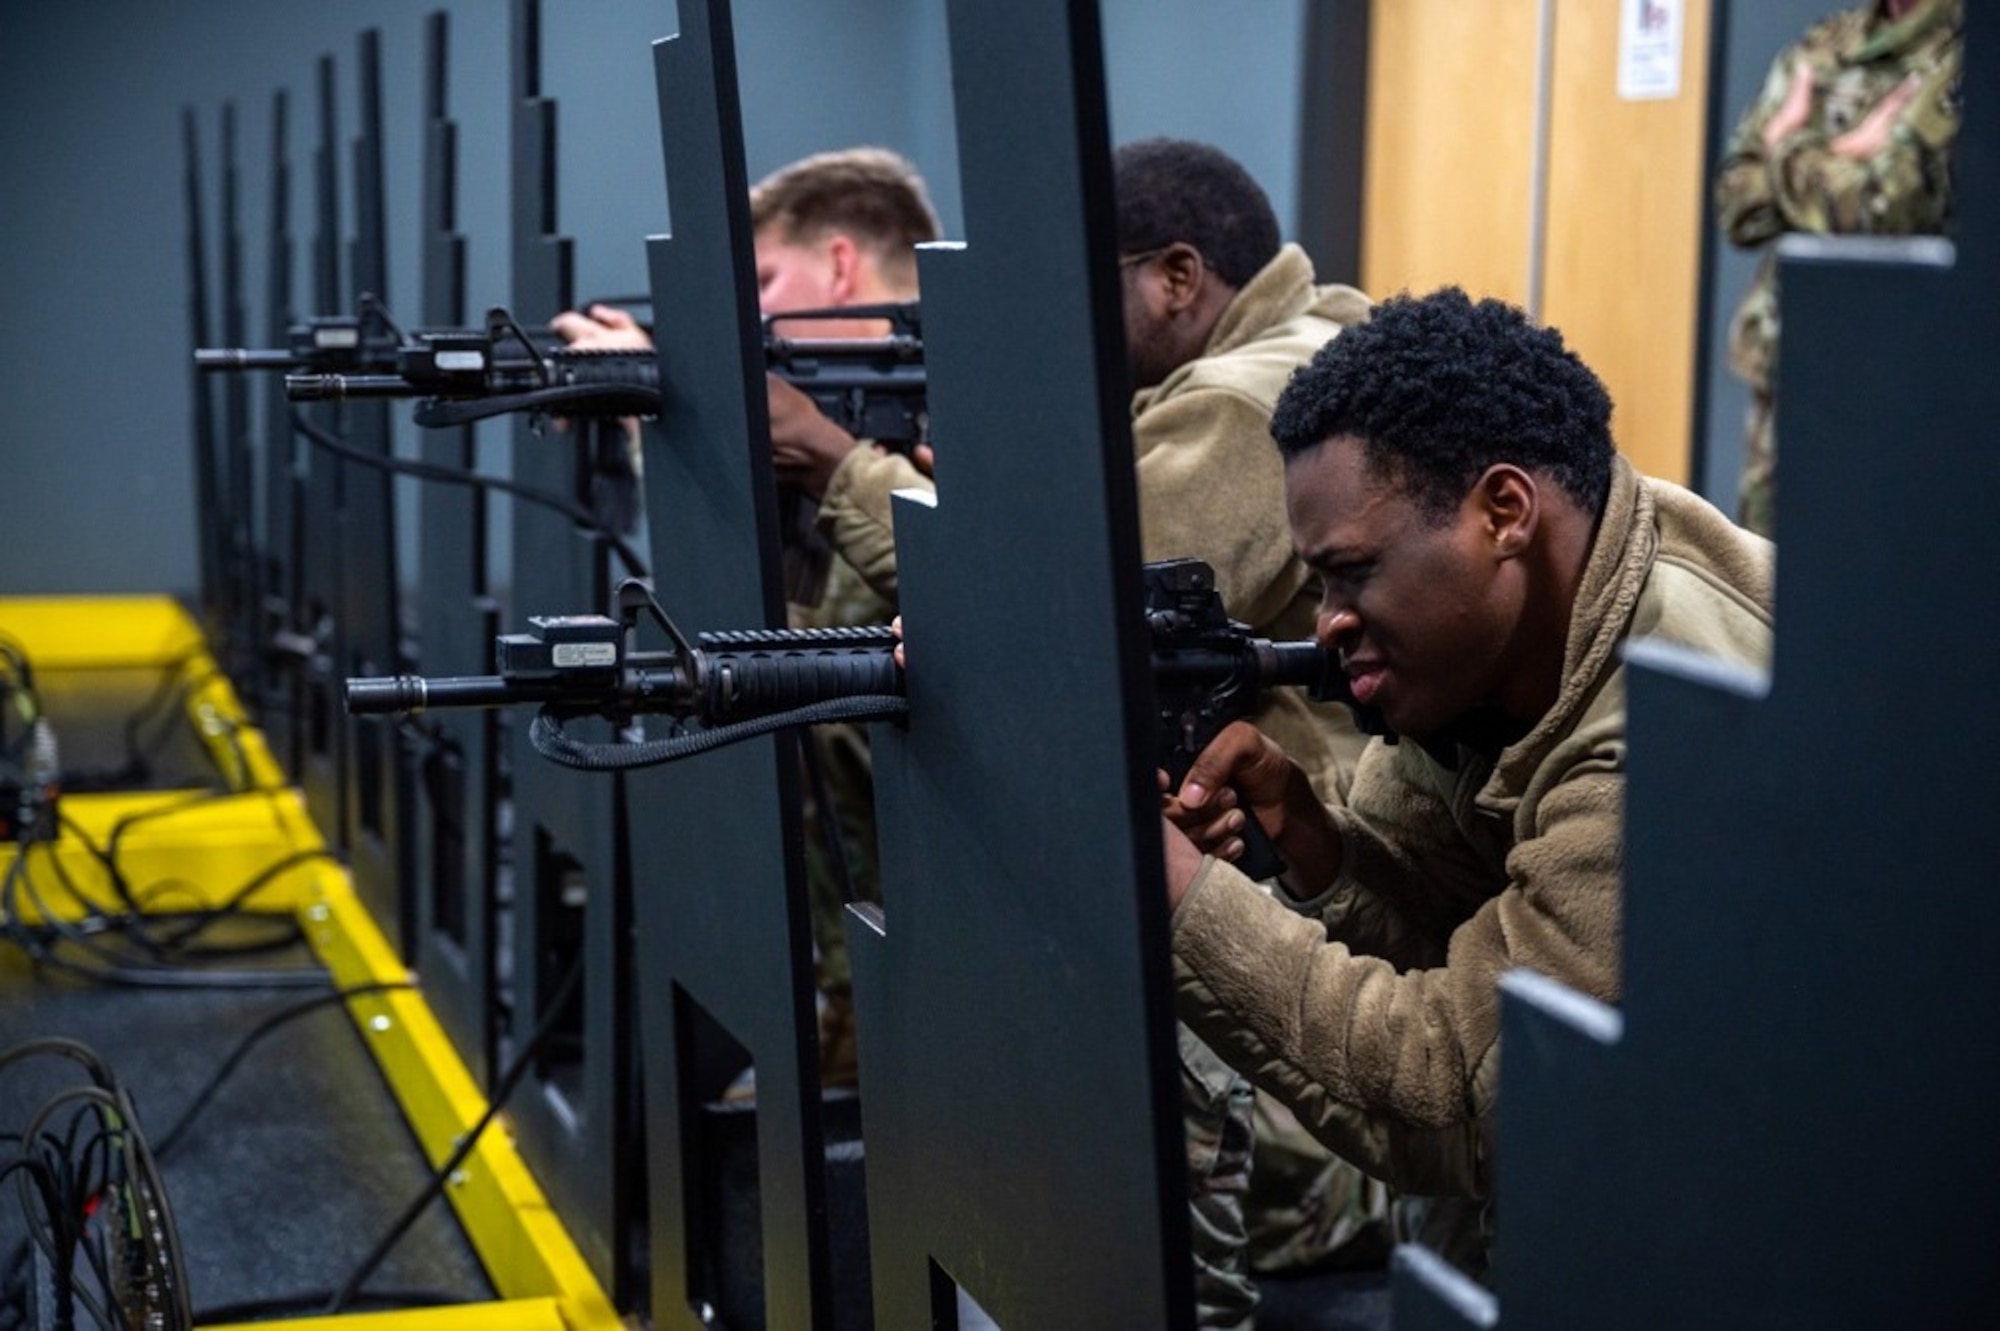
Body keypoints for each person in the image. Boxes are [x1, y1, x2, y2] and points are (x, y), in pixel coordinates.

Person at [807, 136, 1380, 1327]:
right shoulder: (1290, 344)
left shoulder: (1244, 396)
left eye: (1083, 285)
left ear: (1176, 276)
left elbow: (1044, 622)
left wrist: (833, 463)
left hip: (1298, 952)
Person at [1162, 287, 1775, 1280]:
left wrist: (1182, 899)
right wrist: (1323, 857)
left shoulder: (1666, 730)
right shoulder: (1513, 634)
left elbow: (1458, 1096)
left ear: (1502, 511)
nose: (1325, 622)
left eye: (1351, 571)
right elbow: (1466, 958)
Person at [552, 146, 943, 1091]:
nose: (752, 313)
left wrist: (676, 418)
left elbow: (796, 637)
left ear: (842, 266)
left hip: (932, 958)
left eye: (765, 279)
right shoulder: (853, 419)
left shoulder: (953, 394)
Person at [1714, 0, 1961, 537]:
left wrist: (1791, 145)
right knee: (1762, 580)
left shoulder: (1962, 52)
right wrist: (1849, 153)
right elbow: (1736, 204)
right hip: (1789, 361)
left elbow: (1886, 207)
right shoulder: (1826, 46)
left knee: (1874, 571)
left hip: (1906, 373)